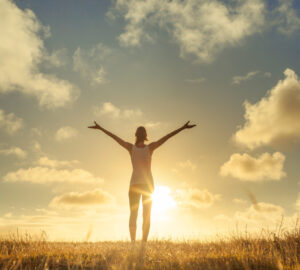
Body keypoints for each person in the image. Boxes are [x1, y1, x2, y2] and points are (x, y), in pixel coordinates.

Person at [88, 120, 196, 242]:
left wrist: (101, 128)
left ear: (136, 135)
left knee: (134, 215)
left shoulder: (132, 148)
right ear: (145, 136)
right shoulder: (149, 148)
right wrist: (182, 127)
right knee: (146, 216)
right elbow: (166, 137)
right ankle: (143, 243)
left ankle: (134, 243)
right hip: (147, 186)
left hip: (135, 185)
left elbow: (116, 138)